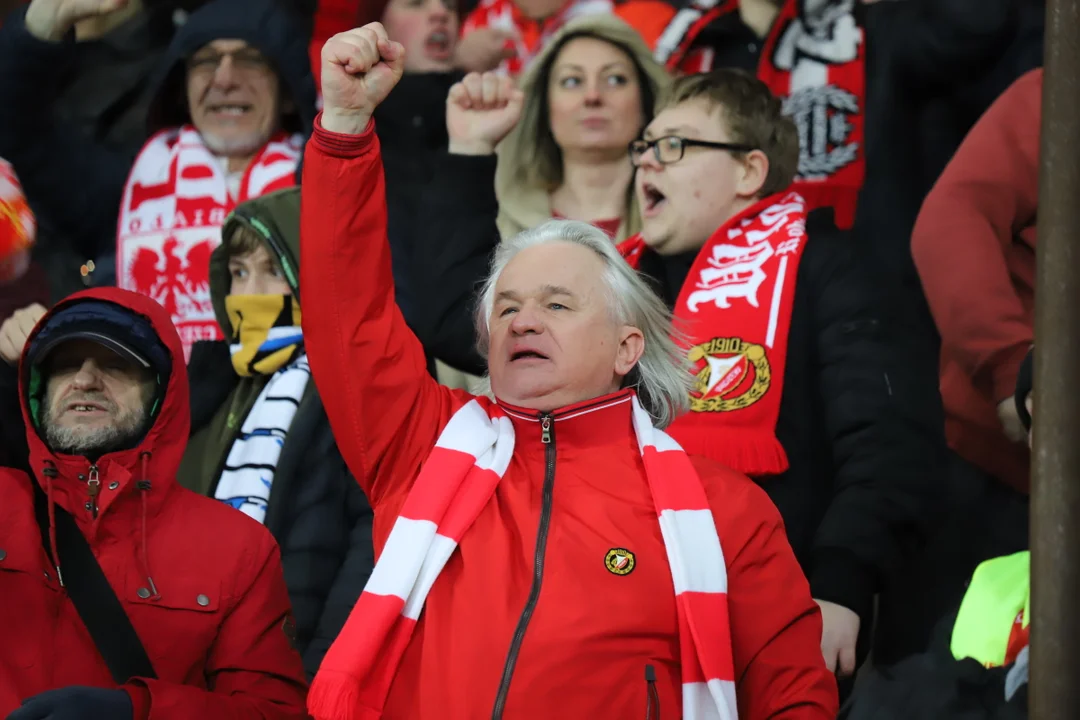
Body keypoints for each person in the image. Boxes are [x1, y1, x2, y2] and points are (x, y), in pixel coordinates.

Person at [299, 24, 837, 719]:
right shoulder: (421, 447)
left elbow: (794, 698)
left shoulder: (724, 508)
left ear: (627, 348)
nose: (523, 320)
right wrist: (342, 126)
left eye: (558, 304)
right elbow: (351, 315)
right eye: (510, 307)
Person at [408, 67, 944, 689]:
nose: (648, 165)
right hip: (615, 614)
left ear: (749, 170)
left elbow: (888, 444)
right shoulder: (623, 282)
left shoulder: (834, 266)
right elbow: (460, 322)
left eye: (676, 146)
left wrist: (841, 585)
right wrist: (472, 150)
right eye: (646, 147)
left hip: (775, 617)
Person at [0, 288, 308, 718]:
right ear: (36, 389)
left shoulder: (239, 548)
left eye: (114, 363)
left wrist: (141, 712)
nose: (85, 380)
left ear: (161, 393)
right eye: (65, 364)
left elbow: (275, 713)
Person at [0, 0, 316, 359]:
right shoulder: (132, 187)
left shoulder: (326, 186)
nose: (225, 79)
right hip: (149, 406)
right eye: (206, 61)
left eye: (251, 60)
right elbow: (23, 136)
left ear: (288, 92)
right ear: (181, 89)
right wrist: (34, 34)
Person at [178, 187, 375, 679]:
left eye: (273, 271)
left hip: (300, 672)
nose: (250, 294)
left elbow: (371, 541)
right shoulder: (208, 388)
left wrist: (322, 675)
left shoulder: (358, 383)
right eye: (239, 272)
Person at [413, 14, 669, 386]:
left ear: (646, 102)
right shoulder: (493, 221)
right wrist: (470, 146)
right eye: (572, 81)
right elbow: (452, 330)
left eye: (615, 79)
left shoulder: (674, 226)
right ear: (545, 106)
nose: (593, 96)